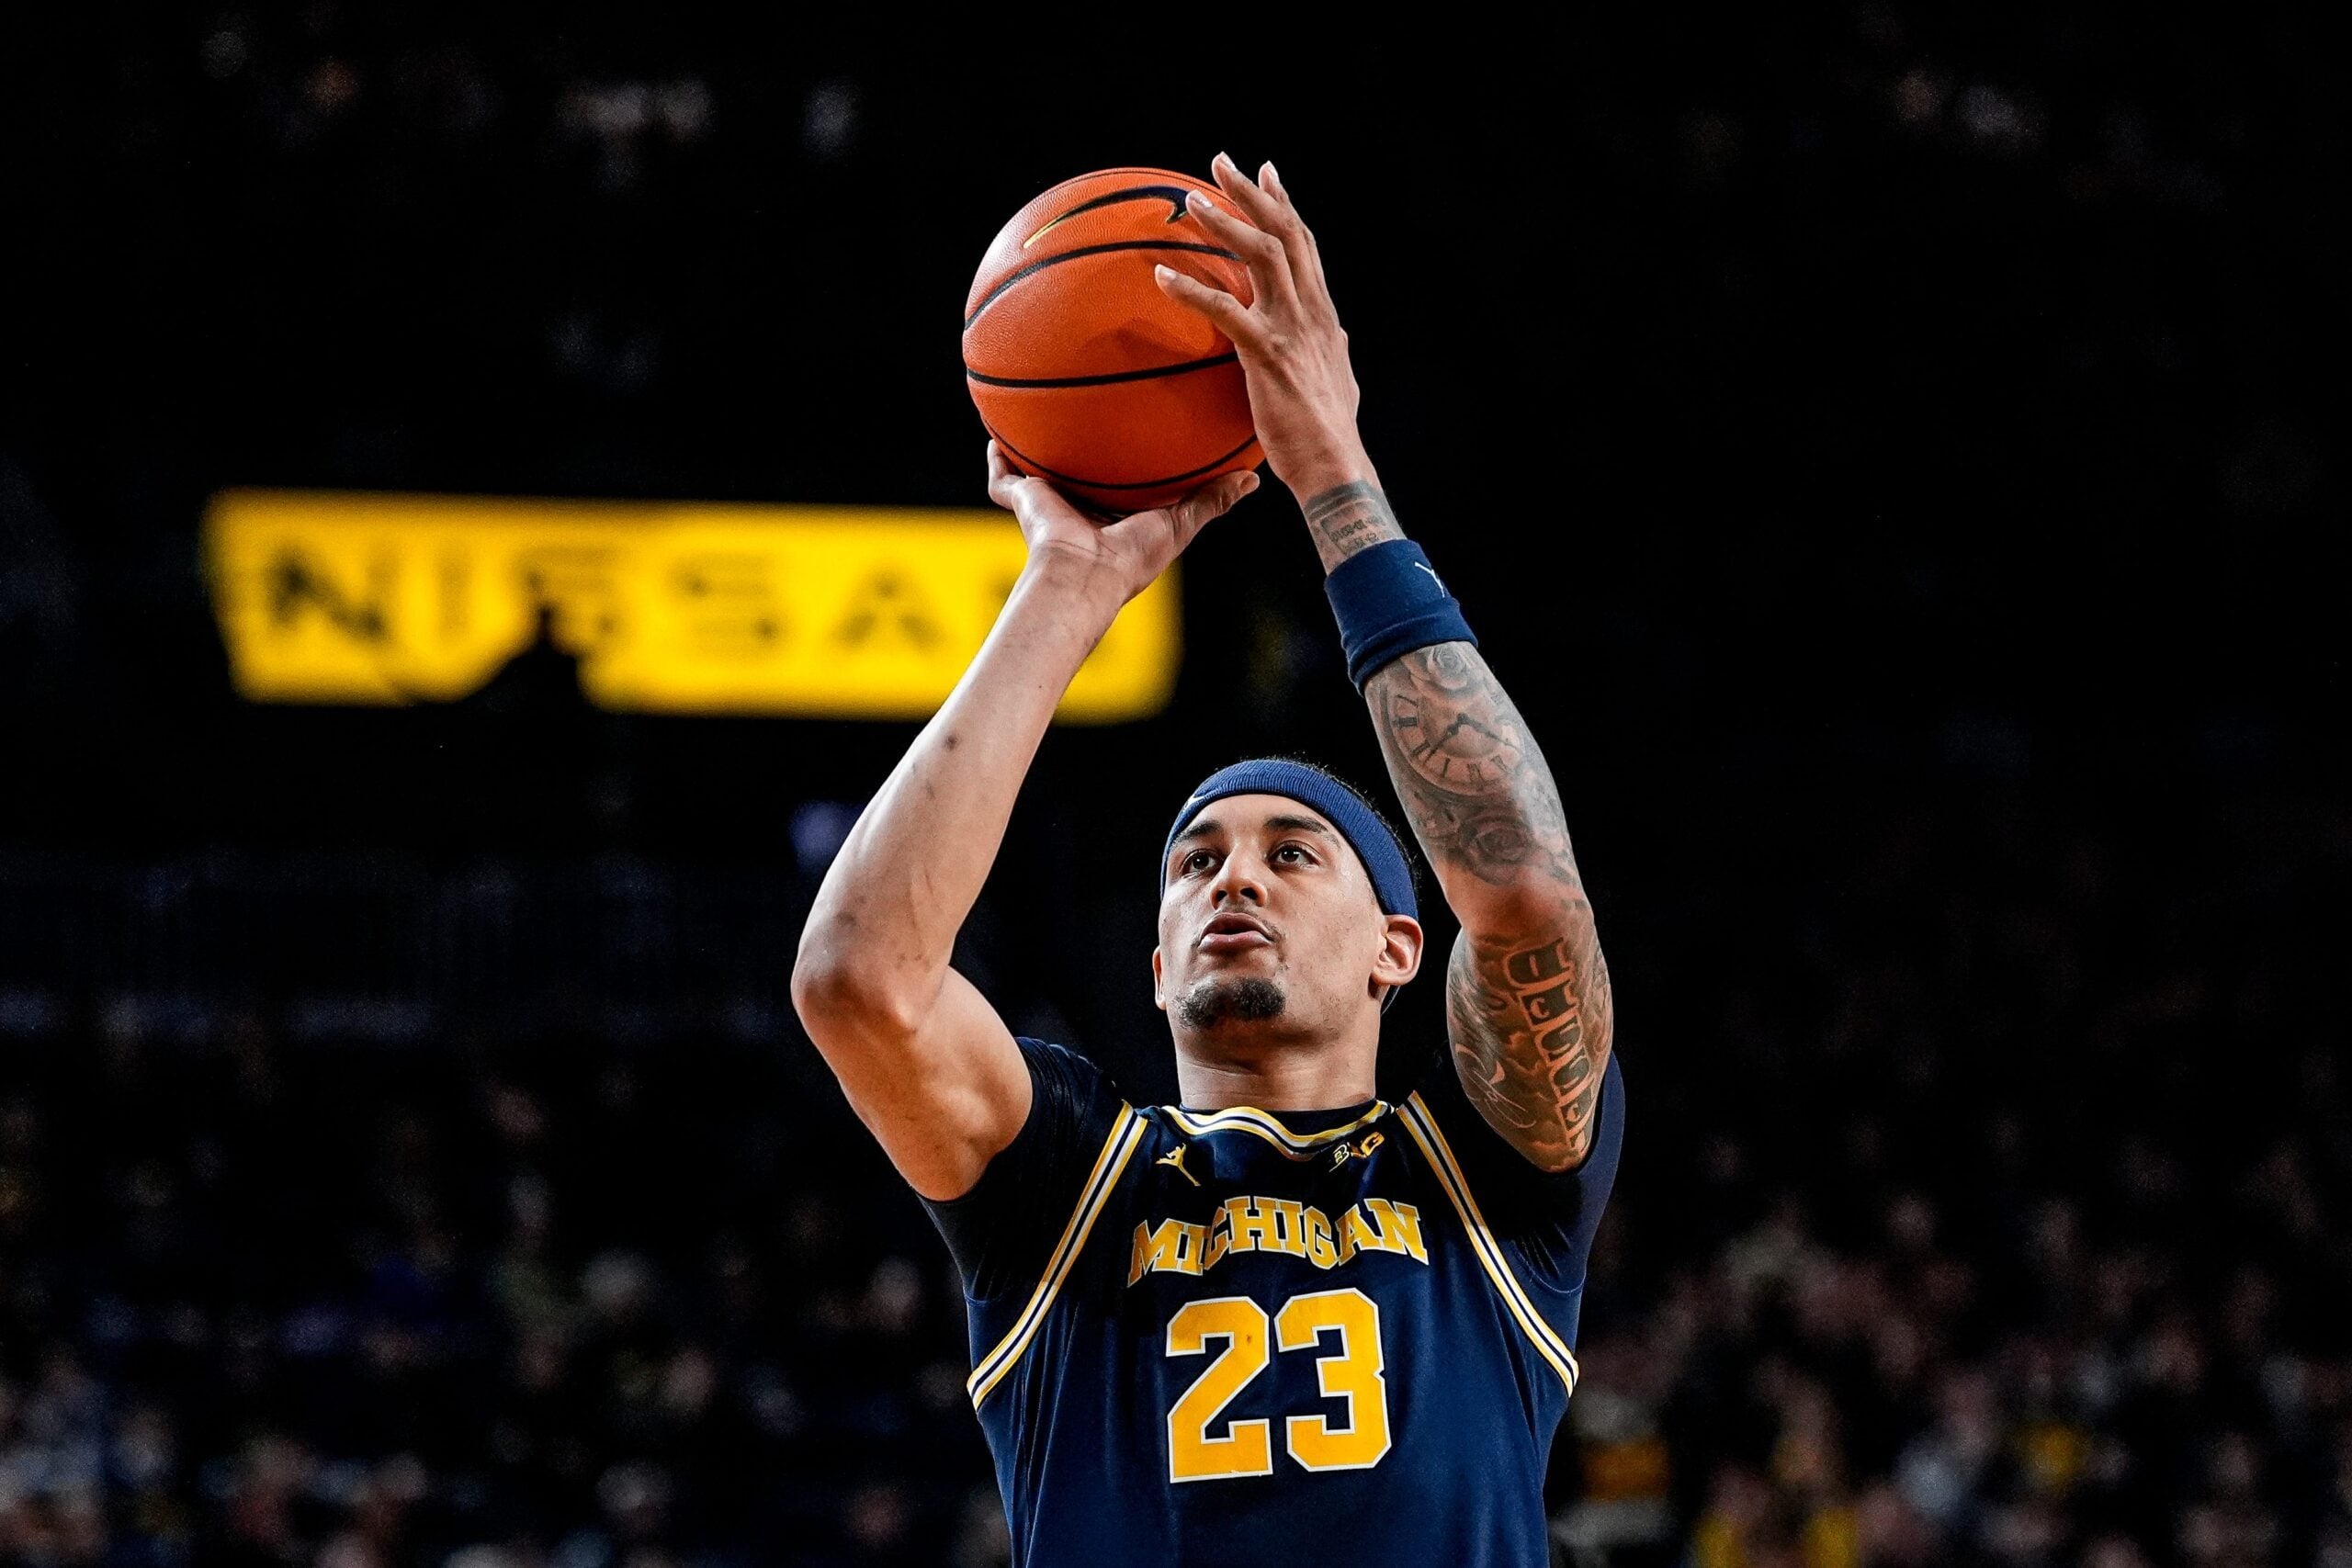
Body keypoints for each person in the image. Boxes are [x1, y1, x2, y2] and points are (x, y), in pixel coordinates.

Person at [792, 153, 1623, 1566]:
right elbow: (860, 980)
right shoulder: (1068, 1186)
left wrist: (1337, 480)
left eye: (1297, 854)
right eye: (1195, 865)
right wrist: (1067, 587)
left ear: (1397, 949)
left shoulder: (1480, 1178)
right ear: (1160, 959)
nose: (1231, 878)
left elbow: (1527, 891)